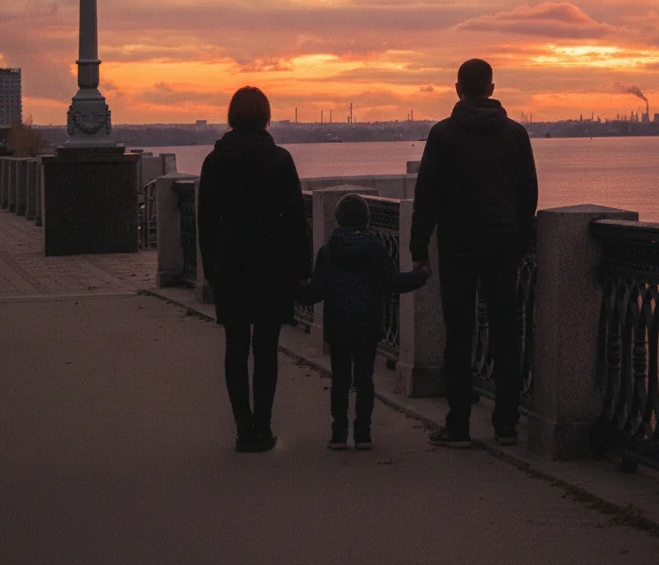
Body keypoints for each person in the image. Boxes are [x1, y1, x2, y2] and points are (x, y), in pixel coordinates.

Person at [409, 58, 538, 448]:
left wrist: (419, 249)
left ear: (457, 89)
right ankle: (506, 423)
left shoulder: (443, 135)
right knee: (505, 331)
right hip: (502, 243)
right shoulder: (516, 135)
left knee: (459, 332)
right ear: (492, 89)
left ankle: (459, 424)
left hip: (457, 244)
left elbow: (426, 197)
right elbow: (527, 195)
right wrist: (519, 238)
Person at [198, 86, 311, 453]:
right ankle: (262, 428)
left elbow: (206, 222)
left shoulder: (215, 162)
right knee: (266, 348)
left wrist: (211, 269)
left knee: (235, 346)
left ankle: (242, 428)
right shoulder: (279, 160)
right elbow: (296, 220)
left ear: (232, 117)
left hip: (230, 264)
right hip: (271, 267)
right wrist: (301, 270)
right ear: (266, 116)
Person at [300, 193, 428, 450]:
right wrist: (421, 276)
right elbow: (393, 283)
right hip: (367, 323)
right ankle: (363, 433)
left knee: (340, 379)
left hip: (338, 324)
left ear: (337, 220)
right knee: (364, 379)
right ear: (366, 219)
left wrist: (289, 285)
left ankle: (338, 433)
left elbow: (314, 293)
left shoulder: (328, 251)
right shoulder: (375, 248)